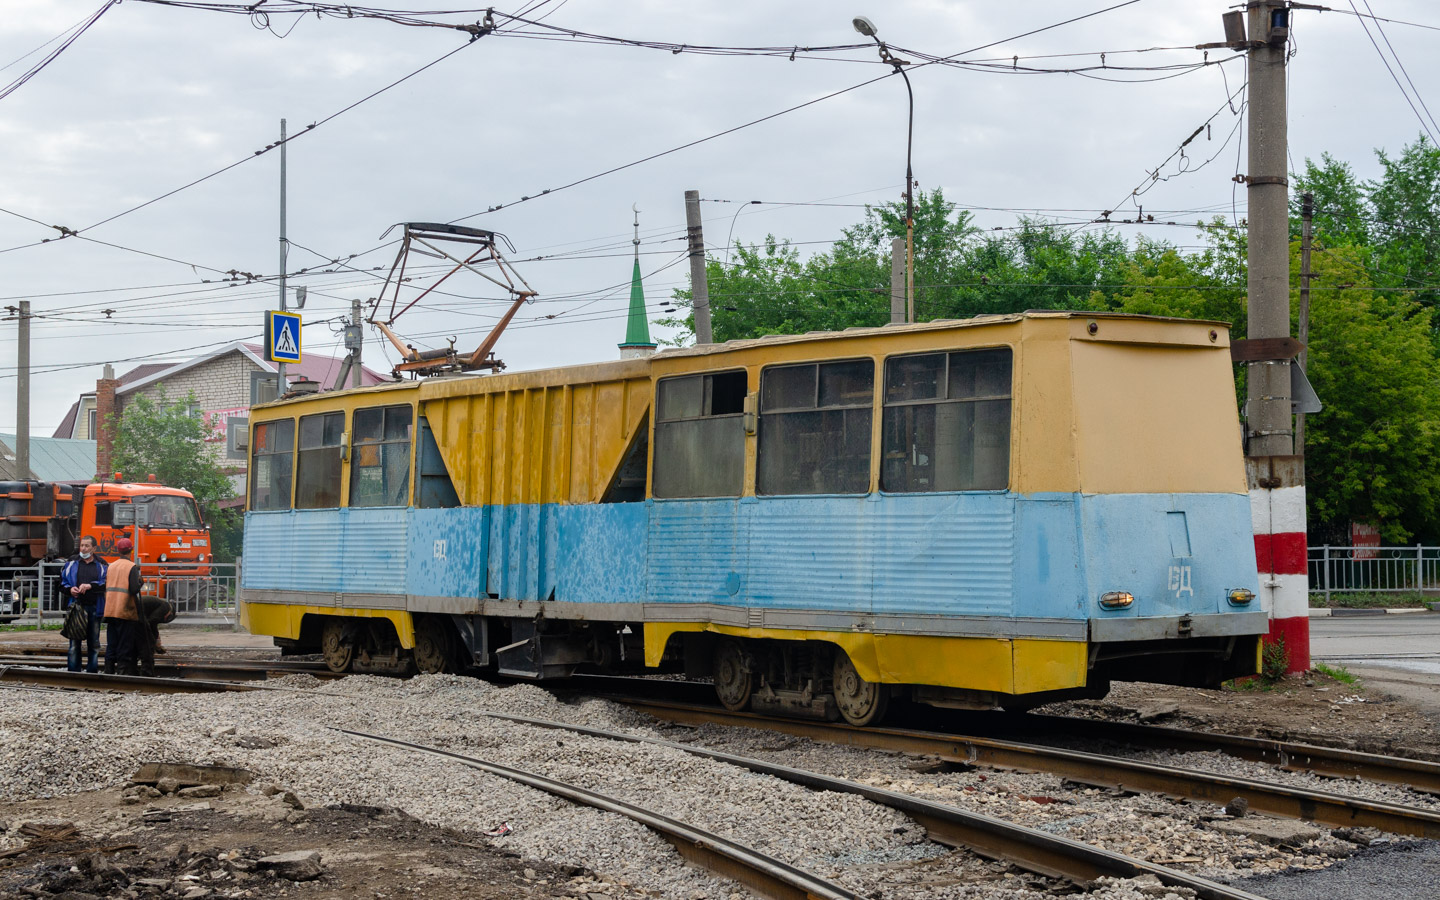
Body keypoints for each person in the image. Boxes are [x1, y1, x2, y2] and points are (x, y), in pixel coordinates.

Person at [59, 536, 107, 673]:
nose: (83, 548)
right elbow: (61, 583)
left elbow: (105, 583)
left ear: (94, 548)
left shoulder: (101, 564)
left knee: (94, 643)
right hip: (76, 607)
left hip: (94, 607)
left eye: (87, 546)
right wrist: (70, 589)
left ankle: (92, 671)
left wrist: (91, 586)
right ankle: (74, 672)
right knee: (74, 643)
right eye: (82, 545)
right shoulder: (71, 562)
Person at [102, 538, 144, 676]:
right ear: (131, 550)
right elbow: (134, 589)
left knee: (112, 643)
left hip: (110, 609)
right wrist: (140, 583)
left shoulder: (111, 566)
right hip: (125, 610)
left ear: (118, 551)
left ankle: (108, 670)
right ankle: (122, 671)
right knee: (125, 644)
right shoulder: (131, 567)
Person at [136, 596, 176, 677]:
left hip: (134, 615)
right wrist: (154, 641)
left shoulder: (159, 604)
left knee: (136, 644)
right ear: (170, 614)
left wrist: (156, 639)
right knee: (148, 646)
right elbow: (152, 622)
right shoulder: (165, 607)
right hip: (138, 616)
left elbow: (153, 623)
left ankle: (132, 671)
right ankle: (147, 673)